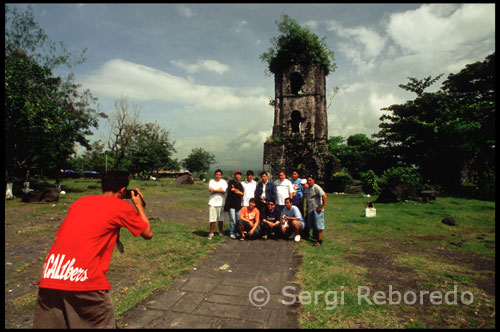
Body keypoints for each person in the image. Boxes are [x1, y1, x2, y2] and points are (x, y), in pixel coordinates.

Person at [33, 171, 152, 328]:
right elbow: (147, 233)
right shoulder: (121, 206)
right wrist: (138, 204)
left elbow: (60, 237)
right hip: (85, 281)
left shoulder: (80, 202)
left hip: (50, 277)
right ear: (123, 190)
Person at [305, 175, 327, 247]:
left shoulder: (316, 187)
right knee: (312, 224)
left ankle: (319, 240)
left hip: (317, 209)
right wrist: (307, 208)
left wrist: (322, 207)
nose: (309, 182)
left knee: (318, 225)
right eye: (308, 180)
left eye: (310, 180)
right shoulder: (307, 189)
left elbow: (324, 196)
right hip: (310, 209)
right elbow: (307, 200)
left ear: (313, 180)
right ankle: (315, 237)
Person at [207, 169, 228, 240]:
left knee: (220, 219)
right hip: (212, 202)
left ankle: (220, 232)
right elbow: (210, 190)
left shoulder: (224, 182)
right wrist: (219, 190)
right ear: (214, 175)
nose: (217, 176)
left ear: (221, 175)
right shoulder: (211, 181)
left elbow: (224, 191)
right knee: (212, 219)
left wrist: (214, 190)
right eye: (216, 174)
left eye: (219, 175)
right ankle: (211, 233)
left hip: (221, 202)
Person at [224, 170, 244, 239]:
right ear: (235, 175)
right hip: (231, 204)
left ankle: (236, 231)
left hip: (238, 205)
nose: (238, 176)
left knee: (238, 219)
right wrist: (237, 191)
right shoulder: (231, 182)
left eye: (239, 175)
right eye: (237, 174)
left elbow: (242, 193)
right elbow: (231, 190)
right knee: (233, 219)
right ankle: (232, 232)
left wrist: (236, 190)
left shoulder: (240, 184)